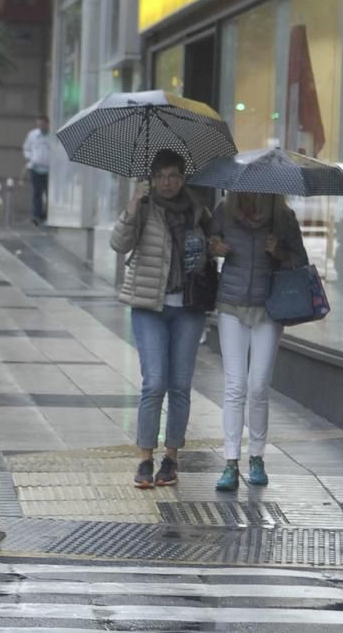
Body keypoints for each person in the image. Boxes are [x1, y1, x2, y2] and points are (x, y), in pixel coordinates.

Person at [110, 149, 211, 489]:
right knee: (154, 382)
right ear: (152, 179)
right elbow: (118, 243)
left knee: (180, 385)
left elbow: (208, 254)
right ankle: (144, 459)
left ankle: (171, 458)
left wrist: (215, 247)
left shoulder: (199, 211)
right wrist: (132, 204)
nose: (167, 182)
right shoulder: (144, 207)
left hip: (189, 307)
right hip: (149, 305)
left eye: (173, 176)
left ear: (183, 179)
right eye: (161, 176)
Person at [209, 192, 308, 491]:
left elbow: (301, 262)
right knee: (235, 386)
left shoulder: (283, 216)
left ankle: (257, 457)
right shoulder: (224, 210)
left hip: (269, 308)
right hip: (231, 305)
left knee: (258, 386)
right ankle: (229, 462)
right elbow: (205, 246)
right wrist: (213, 247)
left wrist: (279, 253)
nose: (250, 193)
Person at [22, 115, 50, 225]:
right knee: (37, 193)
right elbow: (26, 148)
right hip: (36, 168)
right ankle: (36, 215)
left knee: (48, 194)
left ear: (47, 124)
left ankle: (46, 214)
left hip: (49, 170)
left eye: (42, 124)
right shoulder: (33, 135)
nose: (41, 126)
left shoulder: (52, 136)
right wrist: (31, 158)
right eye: (39, 124)